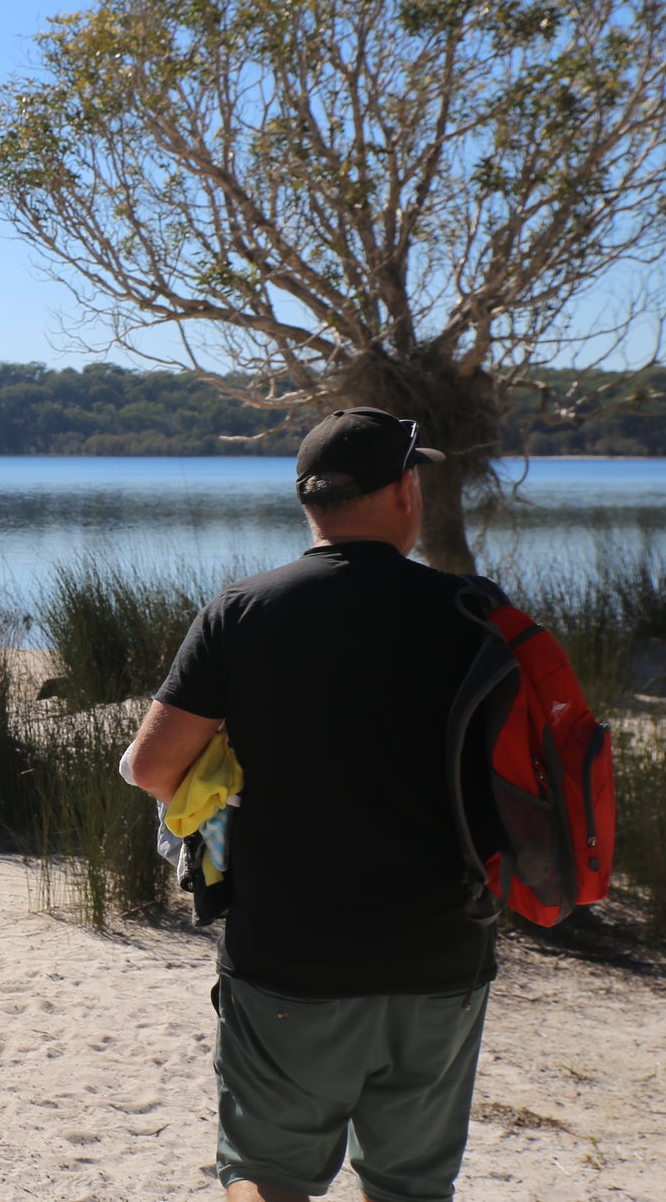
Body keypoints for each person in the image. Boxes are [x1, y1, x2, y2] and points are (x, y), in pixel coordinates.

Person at [119, 408, 504, 1202]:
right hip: (442, 956)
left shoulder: (245, 611)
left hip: (289, 957)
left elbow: (149, 768)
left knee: (269, 1175)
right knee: (409, 1186)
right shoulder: (477, 613)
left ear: (311, 504)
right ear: (405, 491)